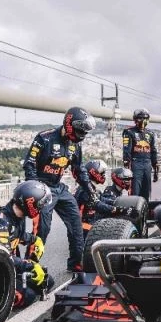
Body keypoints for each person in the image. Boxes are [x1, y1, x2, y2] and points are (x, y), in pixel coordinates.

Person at [23, 106, 96, 272]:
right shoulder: (44, 138)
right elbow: (30, 164)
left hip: (59, 188)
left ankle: (76, 263)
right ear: (70, 124)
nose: (82, 134)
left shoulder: (74, 145)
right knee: (42, 229)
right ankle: (29, 268)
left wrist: (90, 190)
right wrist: (36, 189)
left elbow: (78, 170)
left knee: (76, 223)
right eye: (80, 129)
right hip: (42, 188)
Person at [0, 180, 54, 309]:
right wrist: (29, 265)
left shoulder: (18, 215)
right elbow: (2, 257)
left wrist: (35, 240)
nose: (42, 207)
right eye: (40, 204)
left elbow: (19, 235)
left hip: (11, 267)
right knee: (28, 296)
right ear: (30, 203)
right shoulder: (1, 221)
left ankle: (17, 284)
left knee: (48, 281)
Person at [122, 108, 159, 201]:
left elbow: (153, 151)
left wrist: (156, 169)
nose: (142, 121)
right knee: (135, 191)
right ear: (135, 119)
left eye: (145, 118)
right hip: (135, 163)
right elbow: (126, 151)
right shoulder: (129, 132)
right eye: (140, 118)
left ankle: (145, 212)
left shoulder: (151, 133)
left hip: (147, 164)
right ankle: (134, 213)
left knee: (146, 191)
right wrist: (127, 170)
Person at [75, 159, 109, 237]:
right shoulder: (85, 190)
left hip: (87, 222)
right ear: (94, 172)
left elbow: (101, 199)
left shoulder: (91, 187)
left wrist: (115, 202)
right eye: (102, 173)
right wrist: (116, 209)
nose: (103, 175)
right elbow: (98, 205)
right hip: (82, 226)